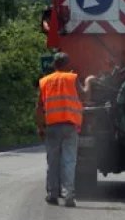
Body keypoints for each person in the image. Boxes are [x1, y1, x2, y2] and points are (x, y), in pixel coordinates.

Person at [36, 52, 95, 207]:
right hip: (69, 126)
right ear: (67, 64)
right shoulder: (72, 78)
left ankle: (52, 194)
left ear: (53, 65)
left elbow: (39, 107)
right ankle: (69, 196)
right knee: (69, 161)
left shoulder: (45, 81)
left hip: (52, 127)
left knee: (53, 161)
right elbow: (85, 96)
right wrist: (89, 81)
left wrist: (40, 127)